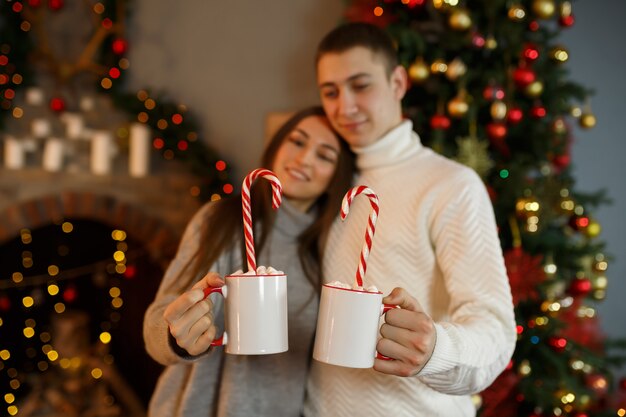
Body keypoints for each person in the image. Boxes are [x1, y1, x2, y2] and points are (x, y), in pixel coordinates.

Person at [303, 22, 517, 416]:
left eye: (361, 85)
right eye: (330, 92)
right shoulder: (324, 180)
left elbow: (496, 333)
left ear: (398, 82)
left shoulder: (450, 185)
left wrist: (436, 347)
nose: (343, 107)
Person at [143, 106, 355, 417]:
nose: (304, 159)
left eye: (325, 156)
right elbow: (156, 326)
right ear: (277, 145)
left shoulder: (333, 249)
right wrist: (176, 337)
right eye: (297, 141)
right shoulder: (221, 221)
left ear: (338, 175)